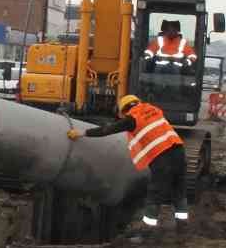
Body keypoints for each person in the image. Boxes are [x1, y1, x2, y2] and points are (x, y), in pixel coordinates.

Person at [67, 93, 188, 228]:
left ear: (124, 110)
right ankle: (182, 225)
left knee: (155, 193)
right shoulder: (154, 110)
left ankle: (147, 231)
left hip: (161, 155)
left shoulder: (132, 119)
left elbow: (107, 130)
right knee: (179, 188)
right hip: (179, 150)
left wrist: (82, 133)